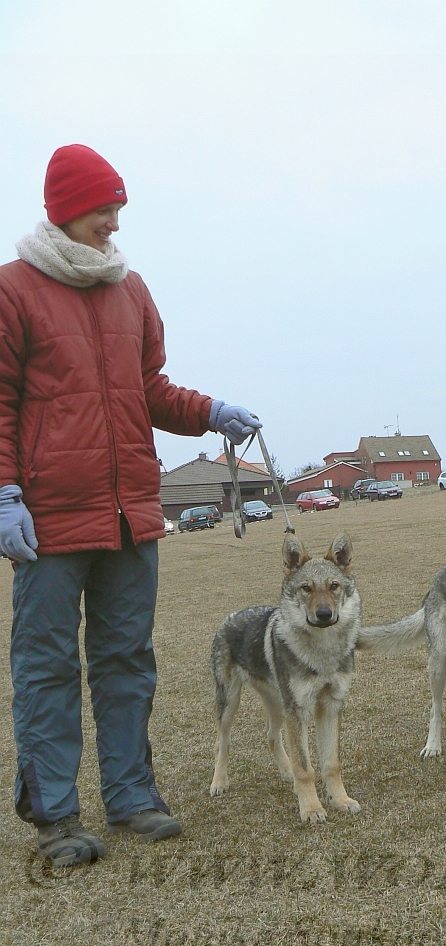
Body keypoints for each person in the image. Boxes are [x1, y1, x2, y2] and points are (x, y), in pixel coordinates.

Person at [0, 144, 262, 867]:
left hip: (130, 515)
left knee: (126, 659)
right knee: (47, 665)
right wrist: (5, 493)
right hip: (50, 518)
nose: (112, 222)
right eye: (100, 209)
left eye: (117, 209)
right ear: (63, 209)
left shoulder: (132, 289)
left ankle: (132, 794)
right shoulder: (13, 289)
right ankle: (55, 814)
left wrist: (212, 410)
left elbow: (149, 389)